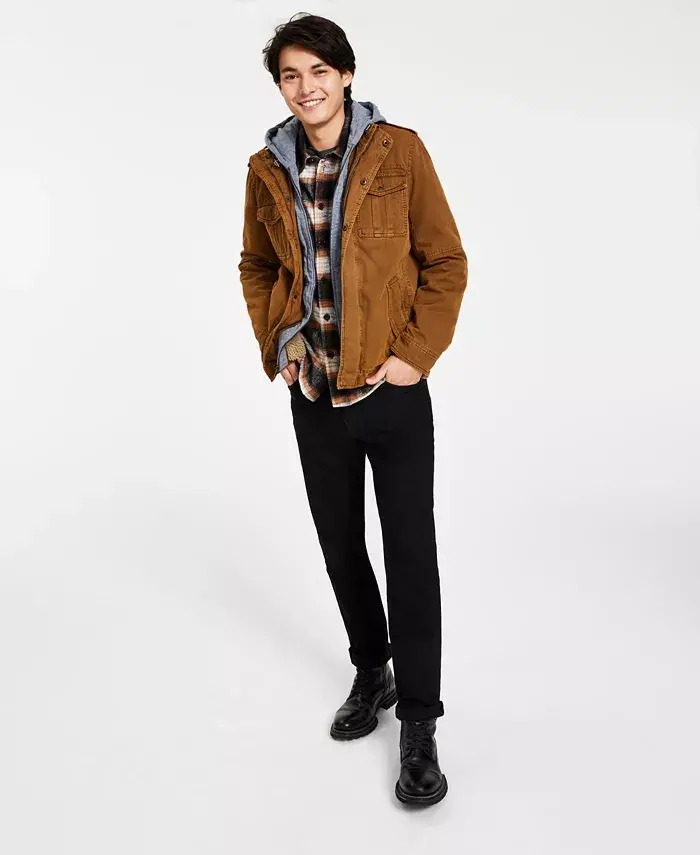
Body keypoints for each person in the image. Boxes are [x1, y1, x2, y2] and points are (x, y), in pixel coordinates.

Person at [238, 12, 468, 806]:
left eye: (318, 71)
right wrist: (280, 341)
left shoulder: (400, 151)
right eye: (291, 76)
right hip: (315, 395)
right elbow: (256, 264)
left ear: (345, 74)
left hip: (391, 394)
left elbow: (445, 260)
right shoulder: (265, 169)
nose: (306, 87)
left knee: (410, 555)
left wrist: (414, 357)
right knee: (340, 545)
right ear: (281, 87)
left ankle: (420, 722)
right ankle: (373, 669)